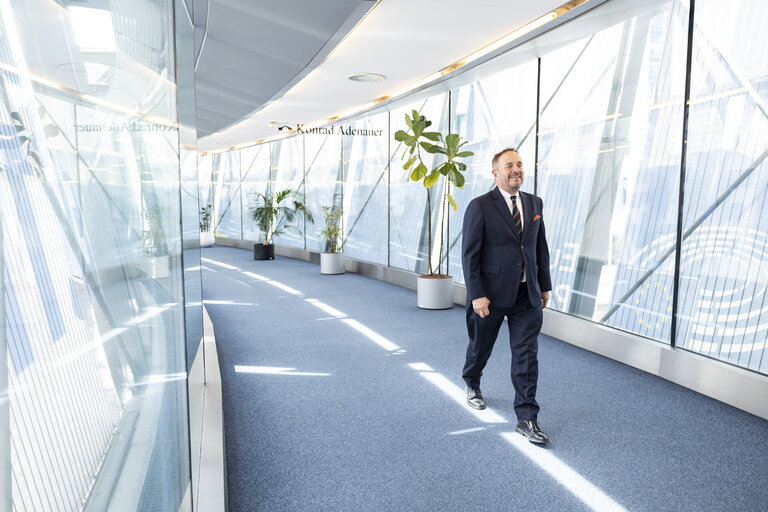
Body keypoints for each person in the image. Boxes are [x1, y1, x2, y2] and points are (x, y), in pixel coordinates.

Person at [461, 148, 552, 444]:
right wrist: (477, 294)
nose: (517, 169)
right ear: (495, 173)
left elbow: (540, 248)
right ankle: (472, 381)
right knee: (481, 346)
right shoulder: (480, 206)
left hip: (527, 294)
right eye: (509, 165)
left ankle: (527, 418)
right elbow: (469, 255)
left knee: (526, 355)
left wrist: (545, 285)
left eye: (520, 164)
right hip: (490, 296)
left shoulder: (533, 202)